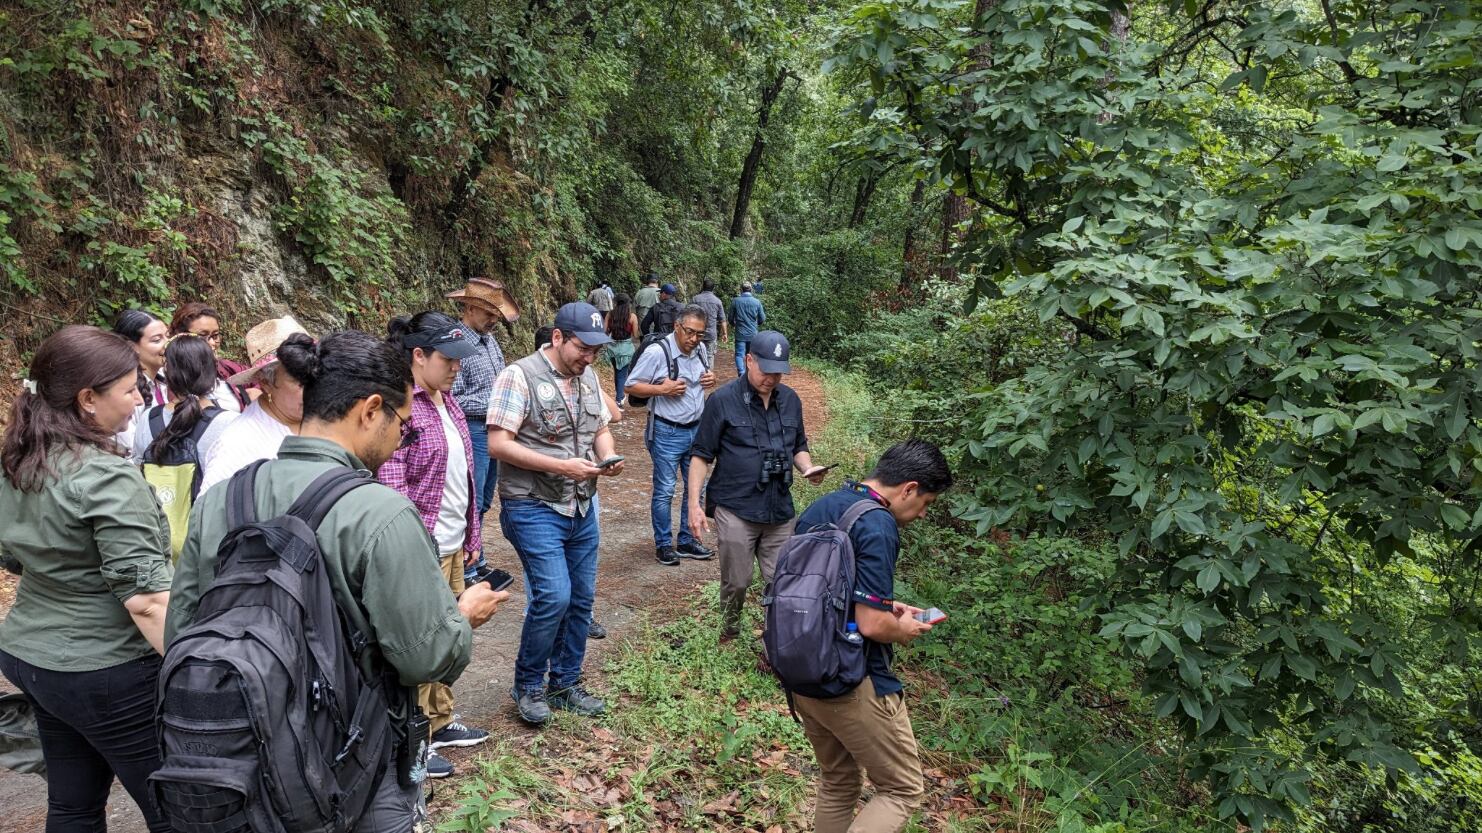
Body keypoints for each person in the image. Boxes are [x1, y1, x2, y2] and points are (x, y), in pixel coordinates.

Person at [168, 330, 508, 830]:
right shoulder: (380, 513)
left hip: (237, 754)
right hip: (352, 762)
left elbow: (181, 629)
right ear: (371, 410)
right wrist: (462, 616)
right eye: (404, 426)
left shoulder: (222, 499)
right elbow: (427, 658)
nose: (400, 442)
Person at [0, 325, 174, 832]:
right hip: (106, 668)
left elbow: (12, 557)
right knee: (177, 807)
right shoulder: (105, 477)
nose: (141, 397)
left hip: (33, 655)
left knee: (73, 802)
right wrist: (195, 673)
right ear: (88, 400)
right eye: (129, 388)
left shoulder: (19, 459)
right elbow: (146, 601)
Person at [790, 440, 953, 833]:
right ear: (909, 488)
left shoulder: (825, 505)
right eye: (927, 502)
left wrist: (887, 605)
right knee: (902, 789)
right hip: (850, 679)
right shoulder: (878, 523)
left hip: (800, 667)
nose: (923, 513)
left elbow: (820, 588)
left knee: (839, 780)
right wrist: (903, 627)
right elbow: (873, 626)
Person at [487, 302, 623, 725]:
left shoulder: (588, 378)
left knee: (581, 599)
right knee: (553, 596)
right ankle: (528, 686)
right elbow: (498, 444)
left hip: (581, 504)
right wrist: (561, 465)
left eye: (597, 352)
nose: (590, 358)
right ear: (559, 338)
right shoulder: (519, 375)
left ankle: (565, 684)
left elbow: (600, 428)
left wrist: (609, 455)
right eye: (583, 349)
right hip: (532, 504)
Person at [378, 311, 487, 779]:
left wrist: (472, 534)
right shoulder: (403, 406)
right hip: (423, 545)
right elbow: (393, 479)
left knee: (448, 637)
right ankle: (413, 738)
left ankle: (440, 721)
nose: (457, 366)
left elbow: (464, 476)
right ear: (418, 356)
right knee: (419, 645)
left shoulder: (447, 401)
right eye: (448, 358)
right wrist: (412, 546)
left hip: (452, 542)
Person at [688, 331, 827, 641]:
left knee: (782, 581)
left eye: (778, 372)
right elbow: (700, 456)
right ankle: (729, 632)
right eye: (766, 370)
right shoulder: (722, 400)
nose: (772, 378)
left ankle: (777, 640)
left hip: (779, 509)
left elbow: (799, 446)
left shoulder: (790, 400)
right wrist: (694, 506)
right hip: (736, 506)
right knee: (738, 581)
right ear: (749, 360)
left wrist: (807, 467)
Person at [625, 305, 716, 566]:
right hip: (666, 431)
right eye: (690, 332)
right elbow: (631, 385)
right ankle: (663, 544)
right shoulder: (657, 352)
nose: (694, 339)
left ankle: (687, 540)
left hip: (696, 430)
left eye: (700, 334)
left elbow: (701, 379)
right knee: (665, 490)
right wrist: (662, 389)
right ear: (677, 327)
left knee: (695, 488)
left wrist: (709, 380)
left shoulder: (699, 349)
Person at [197, 316, 312, 493]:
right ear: (265, 382)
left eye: (316, 373)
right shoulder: (237, 445)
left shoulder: (321, 416)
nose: (313, 385)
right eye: (299, 379)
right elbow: (208, 512)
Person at [446, 277, 520, 523]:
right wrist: (497, 403)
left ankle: (477, 557)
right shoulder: (456, 344)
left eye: (497, 314)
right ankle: (470, 561)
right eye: (489, 313)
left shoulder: (489, 340)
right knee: (472, 499)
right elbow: (452, 400)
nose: (494, 320)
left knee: (485, 498)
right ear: (469, 308)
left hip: (493, 430)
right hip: (472, 431)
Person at [130, 334, 238, 465]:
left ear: (167, 370)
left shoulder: (148, 419)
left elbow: (139, 466)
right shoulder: (231, 423)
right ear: (212, 370)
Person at [169, 301, 248, 411]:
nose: (212, 343)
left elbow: (254, 376)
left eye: (215, 336)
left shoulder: (224, 368)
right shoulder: (173, 379)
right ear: (182, 337)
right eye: (202, 336)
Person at [111, 308, 170, 452]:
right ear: (132, 347)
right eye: (157, 340)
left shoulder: (165, 379)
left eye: (168, 336)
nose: (168, 344)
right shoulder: (127, 391)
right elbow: (130, 446)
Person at [726, 281, 767, 378]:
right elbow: (762, 318)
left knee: (740, 354)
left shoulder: (736, 301)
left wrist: (734, 325)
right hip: (753, 333)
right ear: (751, 290)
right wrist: (756, 325)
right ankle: (749, 374)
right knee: (751, 355)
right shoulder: (757, 302)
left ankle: (741, 373)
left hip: (740, 333)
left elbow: (730, 318)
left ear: (741, 290)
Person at [605, 293, 639, 407]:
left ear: (616, 303)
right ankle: (619, 399)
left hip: (612, 349)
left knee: (617, 373)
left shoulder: (610, 315)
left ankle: (619, 396)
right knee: (621, 374)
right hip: (626, 349)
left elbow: (605, 331)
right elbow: (635, 334)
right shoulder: (632, 317)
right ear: (628, 303)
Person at [692, 279, 729, 364]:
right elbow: (723, 319)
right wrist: (725, 334)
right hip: (711, 333)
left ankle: (697, 375)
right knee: (710, 356)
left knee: (695, 355)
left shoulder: (695, 299)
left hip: (696, 333)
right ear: (713, 288)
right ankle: (708, 375)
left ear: (703, 287)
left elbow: (689, 314)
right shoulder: (717, 301)